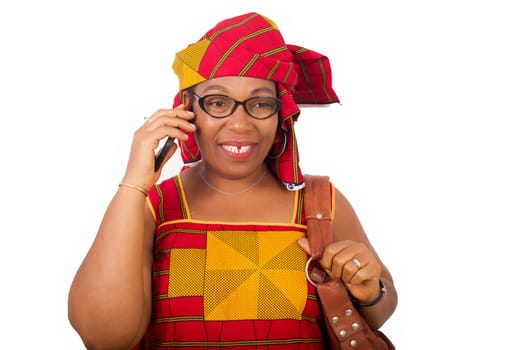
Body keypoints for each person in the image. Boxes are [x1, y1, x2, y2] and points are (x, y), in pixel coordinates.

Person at [68, 12, 397, 349]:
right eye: (218, 102)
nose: (240, 124)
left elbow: (378, 311)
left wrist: (371, 291)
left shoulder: (320, 201)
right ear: (186, 108)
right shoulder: (153, 206)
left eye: (260, 103)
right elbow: (104, 338)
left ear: (280, 112)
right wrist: (133, 185)